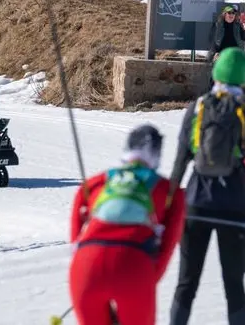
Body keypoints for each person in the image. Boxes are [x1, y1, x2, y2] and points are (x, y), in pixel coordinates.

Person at [168, 48, 245, 325]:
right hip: (233, 204)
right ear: (243, 78)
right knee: (234, 285)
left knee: (186, 283)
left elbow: (180, 162)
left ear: (216, 73)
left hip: (196, 204)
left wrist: (167, 205)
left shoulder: (197, 109)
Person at [70, 126, 185, 325]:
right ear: (157, 154)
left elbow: (75, 241)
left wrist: (84, 271)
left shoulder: (95, 183)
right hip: (134, 265)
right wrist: (147, 280)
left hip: (85, 266)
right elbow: (167, 247)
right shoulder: (170, 192)